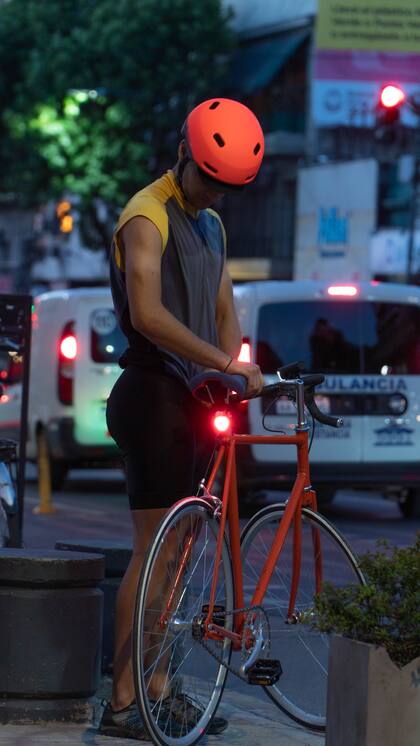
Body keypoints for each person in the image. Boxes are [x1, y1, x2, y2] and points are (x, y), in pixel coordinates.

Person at [98, 97, 265, 740]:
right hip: (151, 393)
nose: (216, 193)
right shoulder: (148, 213)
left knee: (185, 547)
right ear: (186, 157)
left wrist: (233, 365)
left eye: (229, 188)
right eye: (210, 179)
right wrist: (222, 361)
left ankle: (157, 687)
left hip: (195, 400)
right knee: (156, 550)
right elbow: (147, 313)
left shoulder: (212, 225)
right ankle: (121, 701)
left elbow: (223, 306)